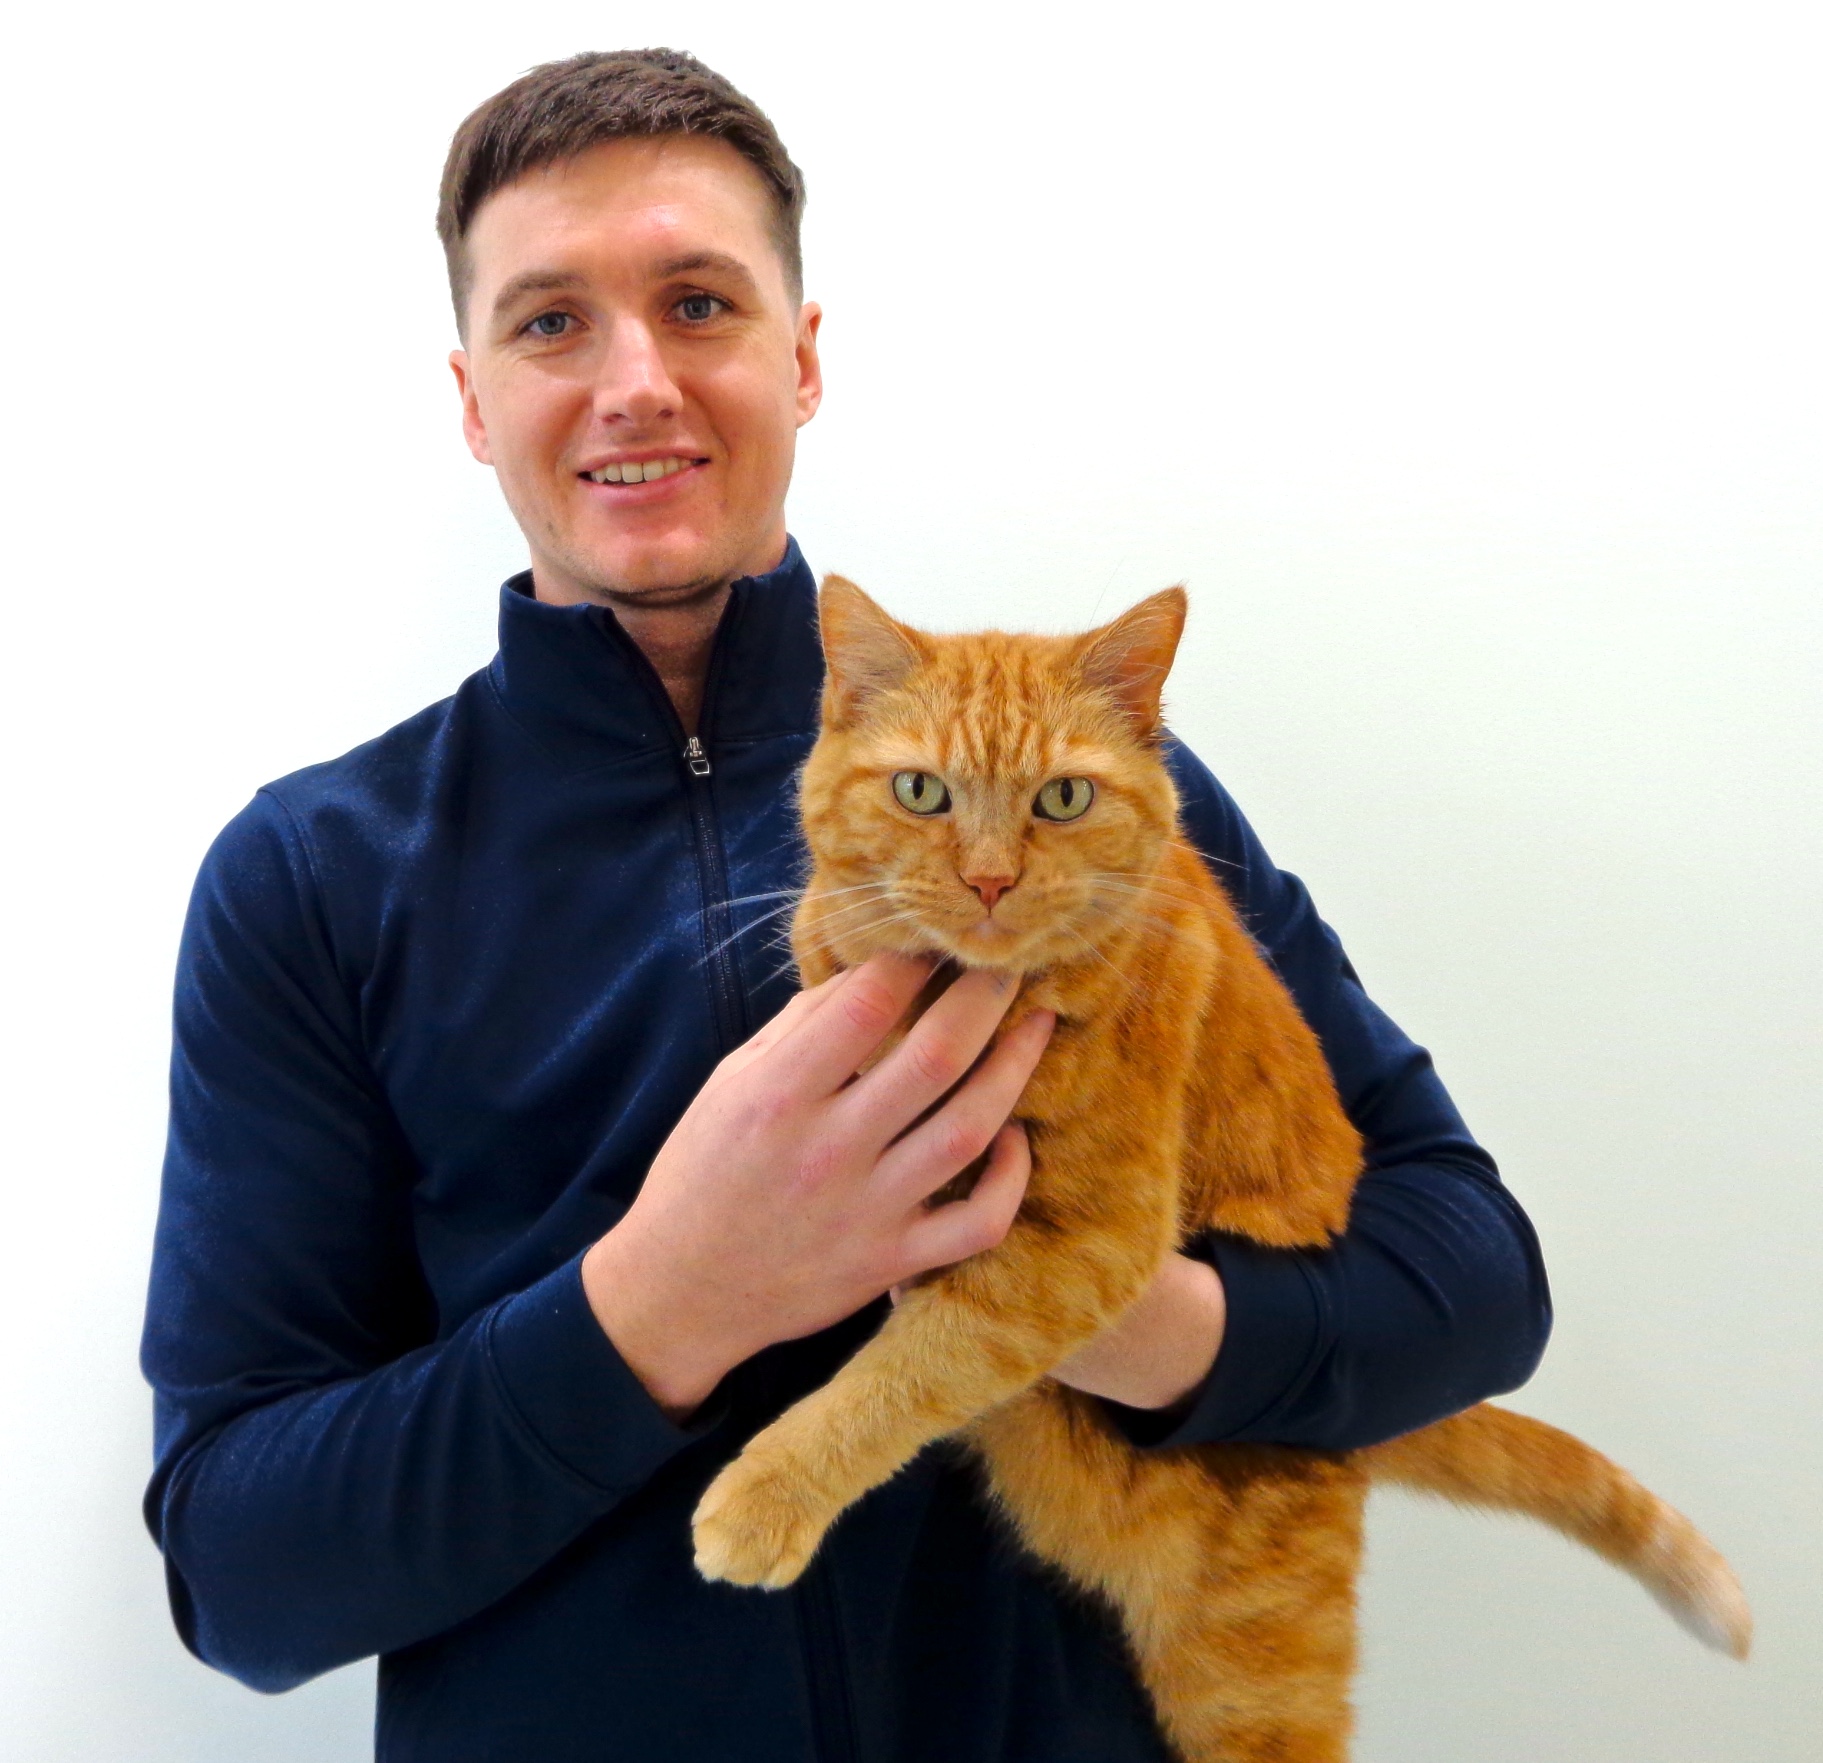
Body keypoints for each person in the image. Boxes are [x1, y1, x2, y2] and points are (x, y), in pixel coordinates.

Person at [140, 49, 1552, 1763]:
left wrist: (1135, 1324)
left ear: (800, 360)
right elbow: (238, 1573)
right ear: (471, 398)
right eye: (551, 323)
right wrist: (663, 1301)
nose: (637, 382)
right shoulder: (312, 876)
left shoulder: (1085, 799)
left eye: (699, 303)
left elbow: (1477, 1279)